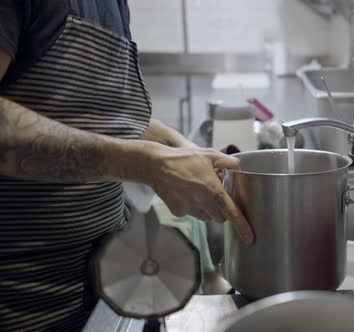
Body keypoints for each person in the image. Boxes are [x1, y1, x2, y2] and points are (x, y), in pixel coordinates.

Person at [0, 1, 254, 331]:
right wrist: (147, 164)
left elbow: (91, 112)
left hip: (105, 294)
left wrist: (177, 146)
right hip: (27, 307)